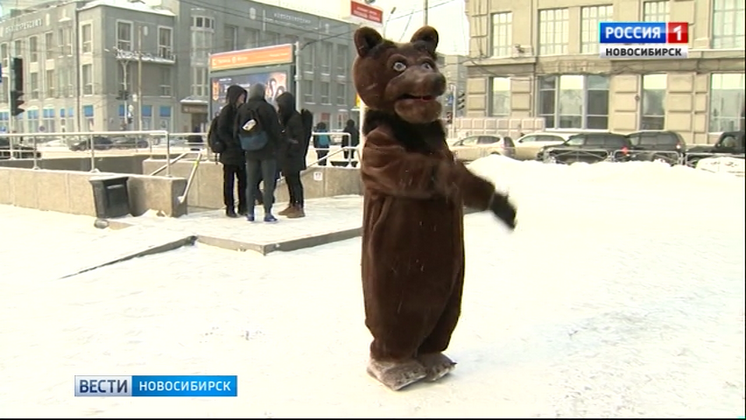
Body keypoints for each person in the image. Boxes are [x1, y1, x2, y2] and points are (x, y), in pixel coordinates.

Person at [235, 83, 284, 223]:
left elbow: (236, 129)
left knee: (250, 183)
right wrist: (277, 145)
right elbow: (276, 129)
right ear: (262, 93)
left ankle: (250, 213)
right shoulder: (268, 108)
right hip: (267, 151)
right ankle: (267, 213)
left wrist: (243, 144)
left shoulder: (243, 109)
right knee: (268, 184)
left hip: (250, 151)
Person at [276, 91, 313, 218]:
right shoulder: (287, 118)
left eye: (280, 106)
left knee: (295, 181)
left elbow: (298, 140)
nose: (279, 109)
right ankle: (292, 204)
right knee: (289, 180)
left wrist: (287, 142)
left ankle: (299, 206)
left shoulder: (294, 119)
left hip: (293, 156)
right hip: (287, 156)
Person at [215, 85, 248, 218]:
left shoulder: (243, 110)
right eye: (241, 95)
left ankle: (243, 207)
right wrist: (232, 143)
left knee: (243, 181)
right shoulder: (227, 111)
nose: (243, 98)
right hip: (229, 153)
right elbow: (221, 130)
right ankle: (230, 207)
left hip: (241, 152)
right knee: (229, 182)